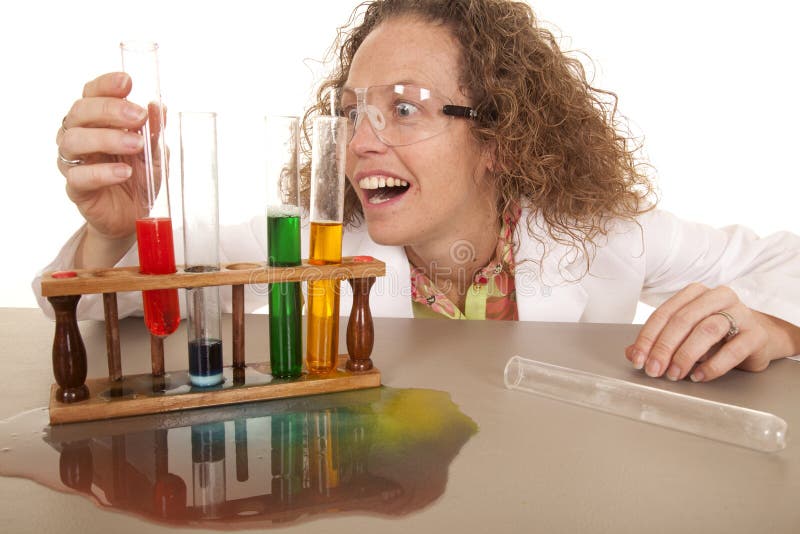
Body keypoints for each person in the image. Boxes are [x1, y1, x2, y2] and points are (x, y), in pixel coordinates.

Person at [37, 0, 800, 383]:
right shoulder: (314, 244)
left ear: (500, 137)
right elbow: (125, 299)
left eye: (404, 107)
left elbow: (785, 260)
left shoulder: (606, 237)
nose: (361, 141)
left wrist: (771, 324)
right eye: (351, 112)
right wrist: (115, 226)